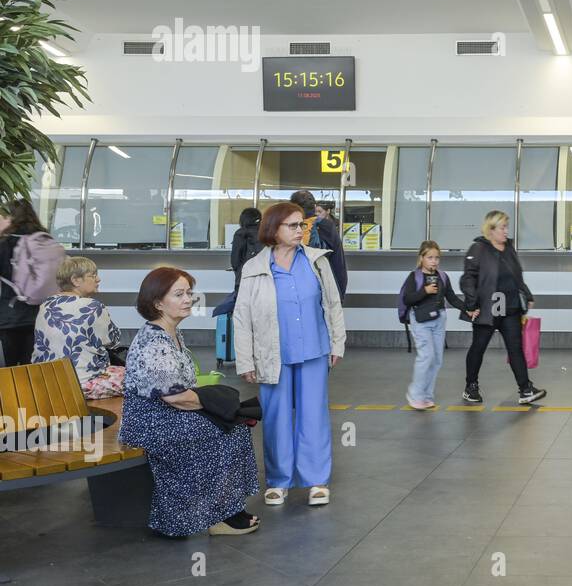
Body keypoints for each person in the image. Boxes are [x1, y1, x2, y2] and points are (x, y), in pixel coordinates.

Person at [119, 267, 260, 537]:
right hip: (149, 421)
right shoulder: (155, 343)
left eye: (189, 293)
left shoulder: (172, 333)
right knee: (224, 429)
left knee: (235, 426)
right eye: (179, 294)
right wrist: (217, 409)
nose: (189, 299)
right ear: (158, 303)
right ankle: (213, 515)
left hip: (165, 413)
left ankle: (224, 509)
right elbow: (176, 398)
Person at [235, 201, 346, 507]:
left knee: (314, 416)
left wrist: (337, 343)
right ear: (274, 229)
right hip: (273, 355)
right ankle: (278, 480)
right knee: (276, 417)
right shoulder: (255, 267)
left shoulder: (317, 261)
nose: (301, 230)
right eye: (294, 226)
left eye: (303, 225)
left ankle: (316, 480)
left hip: (314, 350)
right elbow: (241, 317)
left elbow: (332, 305)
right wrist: (245, 359)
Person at [460, 210, 547, 406]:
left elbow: (516, 275)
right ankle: (470, 387)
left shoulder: (508, 248)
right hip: (488, 307)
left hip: (510, 307)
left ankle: (525, 389)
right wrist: (472, 304)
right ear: (491, 230)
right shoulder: (478, 249)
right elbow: (468, 279)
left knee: (515, 348)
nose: (506, 231)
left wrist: (527, 294)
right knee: (478, 348)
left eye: (507, 226)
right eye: (502, 227)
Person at [32, 256, 125, 399]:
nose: (98, 279)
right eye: (93, 275)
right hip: (80, 383)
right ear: (75, 280)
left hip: (46, 381)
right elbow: (114, 341)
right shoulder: (93, 307)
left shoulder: (46, 305)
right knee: (135, 379)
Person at [400, 240, 465, 410]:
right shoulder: (414, 277)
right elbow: (407, 299)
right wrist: (425, 291)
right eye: (430, 257)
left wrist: (468, 309)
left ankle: (427, 396)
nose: (434, 261)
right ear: (421, 258)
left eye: (437, 258)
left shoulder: (443, 276)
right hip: (420, 320)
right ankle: (414, 394)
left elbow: (451, 297)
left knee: (437, 359)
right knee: (426, 356)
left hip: (439, 319)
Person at [0, 198, 49, 366]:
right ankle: (32, 393)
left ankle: (12, 393)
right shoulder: (44, 239)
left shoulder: (5, 242)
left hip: (10, 313)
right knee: (33, 366)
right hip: (40, 312)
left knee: (11, 368)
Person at [289, 190, 348, 300]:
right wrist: (339, 295)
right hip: (322, 289)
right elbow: (338, 264)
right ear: (314, 207)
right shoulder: (327, 226)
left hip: (294, 290)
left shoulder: (287, 228)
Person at [229, 207, 262, 294]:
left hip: (244, 279)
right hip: (263, 280)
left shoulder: (240, 233)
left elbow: (235, 261)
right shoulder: (266, 233)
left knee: (243, 306)